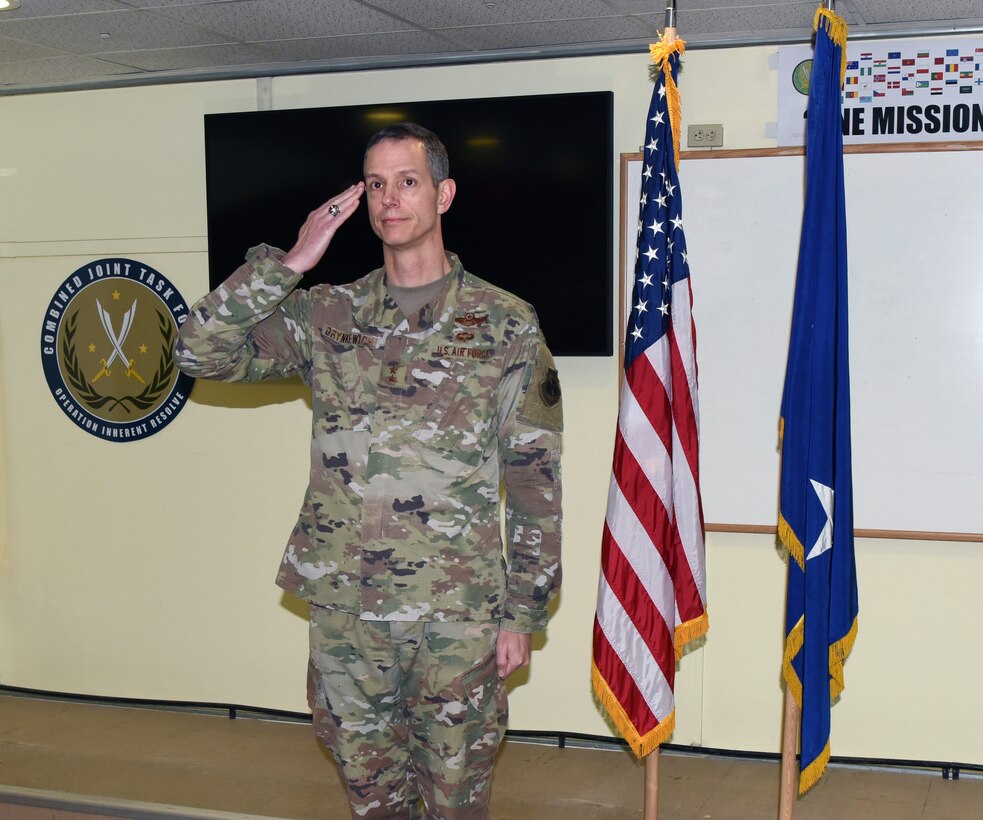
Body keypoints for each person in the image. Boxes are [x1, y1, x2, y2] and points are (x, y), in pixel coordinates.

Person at [174, 122, 562, 819]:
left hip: (457, 615)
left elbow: (534, 479)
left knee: (454, 795)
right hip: (347, 610)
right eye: (375, 184)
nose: (390, 199)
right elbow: (199, 351)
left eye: (407, 181)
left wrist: (522, 613)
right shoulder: (329, 314)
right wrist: (290, 262)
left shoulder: (504, 323)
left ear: (442, 194)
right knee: (370, 796)